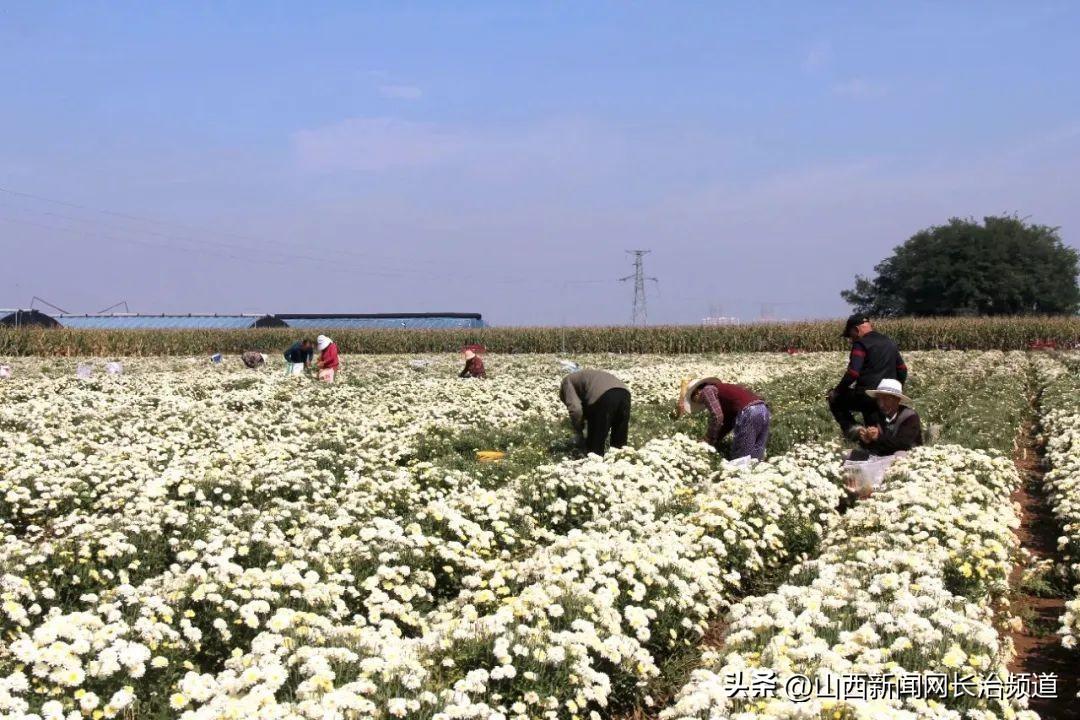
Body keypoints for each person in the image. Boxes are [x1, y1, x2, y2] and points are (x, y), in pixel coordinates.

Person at [827, 314, 908, 441]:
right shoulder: (889, 342)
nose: (851, 339)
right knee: (876, 426)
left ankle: (854, 433)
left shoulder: (861, 344)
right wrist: (896, 390)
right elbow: (902, 369)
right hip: (887, 395)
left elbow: (853, 372)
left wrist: (836, 391)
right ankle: (875, 439)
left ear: (856, 330)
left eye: (851, 335)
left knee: (835, 399)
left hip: (867, 395)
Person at [677, 377, 771, 460]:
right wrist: (714, 440)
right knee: (755, 456)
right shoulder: (722, 392)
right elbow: (727, 422)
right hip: (763, 409)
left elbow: (717, 417)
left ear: (697, 392)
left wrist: (708, 437)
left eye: (695, 400)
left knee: (741, 460)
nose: (701, 403)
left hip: (749, 411)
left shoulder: (706, 391)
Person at [559, 368, 631, 456]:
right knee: (620, 443)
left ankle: (595, 466)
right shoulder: (586, 376)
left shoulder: (567, 381)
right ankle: (620, 464)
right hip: (624, 393)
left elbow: (576, 410)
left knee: (595, 444)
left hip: (603, 396)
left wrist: (579, 430)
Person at [851, 378, 922, 458]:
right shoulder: (875, 416)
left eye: (886, 399)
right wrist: (867, 440)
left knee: (900, 455)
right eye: (879, 399)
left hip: (908, 458)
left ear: (897, 400)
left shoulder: (910, 417)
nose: (881, 404)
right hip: (882, 456)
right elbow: (875, 447)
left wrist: (878, 437)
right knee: (850, 454)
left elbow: (903, 444)